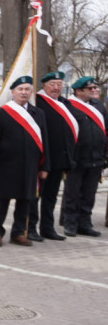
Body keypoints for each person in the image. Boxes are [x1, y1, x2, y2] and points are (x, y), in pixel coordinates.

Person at [0, 76, 49, 247]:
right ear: (12, 92)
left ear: (31, 92)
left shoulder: (38, 114)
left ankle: (18, 232)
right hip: (7, 165)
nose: (24, 92)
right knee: (2, 200)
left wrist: (45, 166)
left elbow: (45, 142)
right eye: (20, 89)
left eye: (27, 89)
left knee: (25, 200)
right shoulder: (2, 113)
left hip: (30, 165)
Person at [33, 71, 77, 241]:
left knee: (50, 196)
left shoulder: (64, 103)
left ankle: (47, 228)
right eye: (52, 84)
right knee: (35, 196)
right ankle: (31, 228)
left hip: (59, 158)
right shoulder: (37, 102)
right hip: (42, 159)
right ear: (43, 85)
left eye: (59, 84)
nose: (56, 88)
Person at [63, 76, 105, 237]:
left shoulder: (98, 106)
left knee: (89, 194)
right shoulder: (69, 106)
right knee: (72, 193)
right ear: (79, 91)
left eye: (95, 87)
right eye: (91, 88)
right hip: (77, 158)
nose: (95, 90)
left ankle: (85, 223)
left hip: (96, 158)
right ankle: (70, 224)